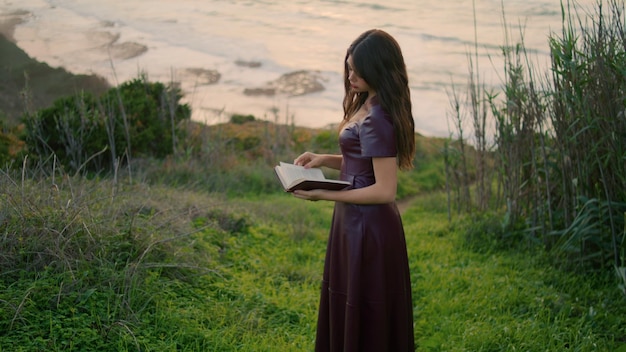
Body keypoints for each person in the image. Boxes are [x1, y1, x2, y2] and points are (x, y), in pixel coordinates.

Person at [293, 29, 416, 352]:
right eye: (348, 68)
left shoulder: (378, 117)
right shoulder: (368, 103)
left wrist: (325, 194)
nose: (350, 76)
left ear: (378, 69)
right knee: (351, 299)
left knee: (367, 307)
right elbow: (361, 161)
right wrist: (324, 160)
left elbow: (385, 190)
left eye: (357, 70)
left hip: (369, 227)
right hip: (352, 221)